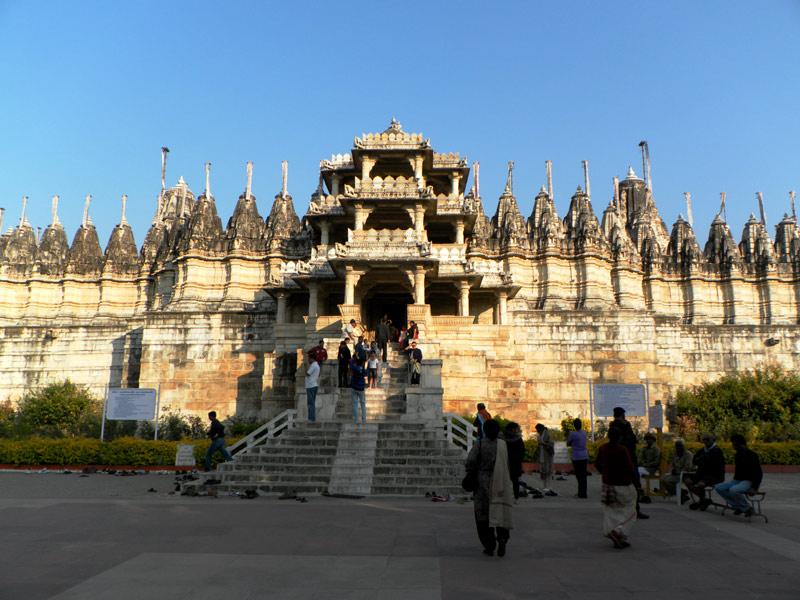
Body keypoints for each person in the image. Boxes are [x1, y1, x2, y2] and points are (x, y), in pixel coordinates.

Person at [465, 419, 514, 557]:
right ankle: (502, 537)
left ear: (485, 430)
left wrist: (471, 469)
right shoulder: (503, 445)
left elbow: (470, 461)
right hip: (500, 481)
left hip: (483, 482)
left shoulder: (481, 444)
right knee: (500, 510)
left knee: (483, 514)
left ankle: (489, 545)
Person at [594, 427, 638, 549]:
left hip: (608, 485)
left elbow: (597, 464)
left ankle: (616, 536)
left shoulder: (603, 448)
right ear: (620, 438)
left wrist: (606, 472)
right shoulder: (622, 450)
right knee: (630, 510)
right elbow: (630, 468)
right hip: (623, 484)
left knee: (611, 510)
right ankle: (618, 531)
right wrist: (638, 485)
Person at [608, 407, 648, 518]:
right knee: (634, 484)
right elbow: (632, 438)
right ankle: (635, 509)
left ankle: (619, 509)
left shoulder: (612, 425)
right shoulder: (625, 425)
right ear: (623, 415)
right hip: (629, 456)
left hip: (616, 458)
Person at [715, 434, 763, 516]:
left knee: (734, 490)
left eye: (735, 445)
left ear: (741, 444)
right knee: (719, 488)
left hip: (748, 481)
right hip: (737, 480)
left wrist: (754, 487)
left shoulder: (752, 455)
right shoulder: (738, 454)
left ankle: (747, 508)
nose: (734, 447)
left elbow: (758, 473)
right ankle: (737, 506)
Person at [685, 432, 726, 510]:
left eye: (707, 439)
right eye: (704, 439)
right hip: (702, 474)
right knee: (687, 481)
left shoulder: (717, 451)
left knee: (700, 484)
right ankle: (703, 499)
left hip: (714, 475)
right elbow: (695, 460)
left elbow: (713, 465)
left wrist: (703, 461)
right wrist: (702, 461)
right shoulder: (702, 451)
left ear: (713, 440)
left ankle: (701, 501)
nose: (705, 441)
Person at [502, 422, 525, 502]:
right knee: (515, 480)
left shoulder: (501, 437)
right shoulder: (518, 438)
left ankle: (504, 497)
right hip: (515, 461)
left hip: (504, 460)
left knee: (504, 480)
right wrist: (519, 460)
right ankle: (516, 498)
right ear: (513, 429)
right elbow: (522, 451)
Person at [566, 418, 589, 498]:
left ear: (574, 426)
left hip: (576, 456)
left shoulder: (573, 434)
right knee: (583, 475)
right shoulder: (584, 433)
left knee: (578, 475)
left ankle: (580, 492)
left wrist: (573, 443)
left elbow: (568, 444)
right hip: (584, 455)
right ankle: (583, 492)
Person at [535, 423, 557, 496]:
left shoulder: (547, 435)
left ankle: (549, 486)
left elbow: (551, 444)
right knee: (543, 471)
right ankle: (545, 486)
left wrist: (544, 443)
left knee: (549, 471)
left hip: (548, 456)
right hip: (542, 456)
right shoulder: (540, 436)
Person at [349, 356, 367, 423]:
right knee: (363, 403)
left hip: (354, 387)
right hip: (361, 388)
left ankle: (356, 419)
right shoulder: (363, 371)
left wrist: (354, 360)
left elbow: (351, 365)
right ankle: (364, 418)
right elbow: (366, 373)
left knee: (355, 403)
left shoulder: (354, 368)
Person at [305, 351, 320, 422]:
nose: (308, 360)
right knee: (311, 402)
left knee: (311, 403)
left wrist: (305, 367)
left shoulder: (313, 365)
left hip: (311, 385)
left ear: (312, 359)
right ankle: (311, 417)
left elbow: (308, 374)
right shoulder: (317, 365)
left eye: (309, 358)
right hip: (313, 385)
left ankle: (311, 418)